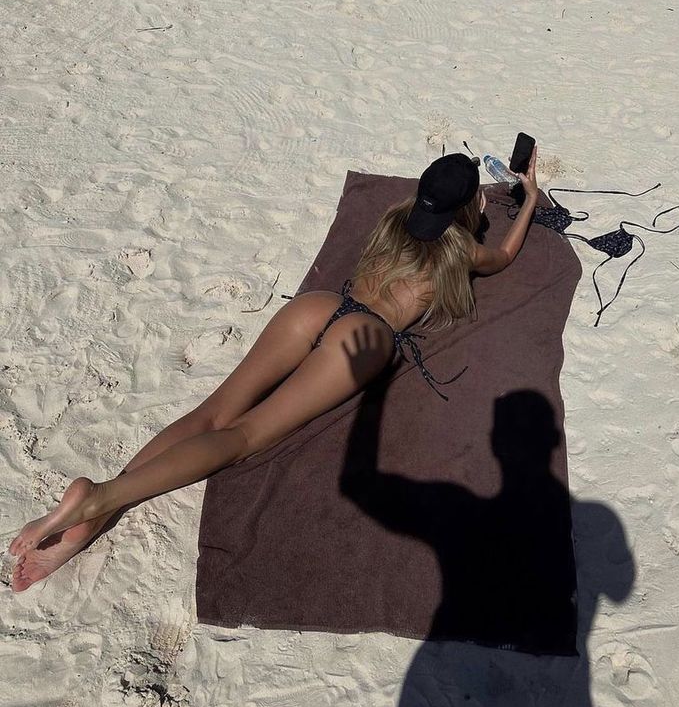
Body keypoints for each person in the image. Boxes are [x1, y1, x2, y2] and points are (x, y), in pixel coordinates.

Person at [8, 146, 539, 592]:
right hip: (367, 337)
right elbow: (507, 254)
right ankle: (100, 498)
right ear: (467, 206)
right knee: (244, 437)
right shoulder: (461, 247)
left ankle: (87, 520)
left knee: (212, 412)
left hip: (319, 306)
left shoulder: (393, 219)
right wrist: (530, 197)